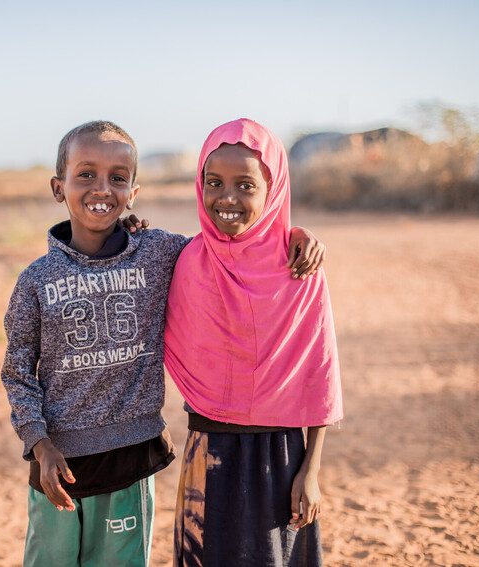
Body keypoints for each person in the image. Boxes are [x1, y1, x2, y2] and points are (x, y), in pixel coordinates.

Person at [0, 120, 325, 567]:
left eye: (117, 178)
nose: (102, 189)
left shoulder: (157, 252)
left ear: (133, 192)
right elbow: (17, 371)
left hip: (131, 459)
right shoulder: (35, 281)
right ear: (59, 188)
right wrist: (38, 442)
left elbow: (231, 242)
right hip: (58, 461)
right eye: (86, 175)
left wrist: (294, 234)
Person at [164, 118, 343, 567]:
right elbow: (128, 254)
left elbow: (318, 373)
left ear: (274, 189)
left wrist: (312, 471)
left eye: (246, 184)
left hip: (281, 460)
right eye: (214, 182)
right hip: (208, 451)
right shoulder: (186, 260)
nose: (227, 198)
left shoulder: (299, 268)